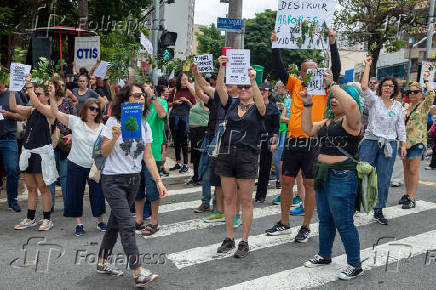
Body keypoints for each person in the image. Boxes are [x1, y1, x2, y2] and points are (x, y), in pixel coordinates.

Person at [265, 29, 341, 243]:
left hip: (314, 142)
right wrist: (276, 45)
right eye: (306, 70)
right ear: (300, 73)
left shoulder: (324, 88)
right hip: (293, 141)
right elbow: (279, 69)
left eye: (314, 70)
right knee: (287, 183)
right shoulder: (295, 85)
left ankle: (306, 226)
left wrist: (333, 43)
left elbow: (335, 68)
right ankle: (284, 222)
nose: (310, 72)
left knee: (309, 186)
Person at [96, 83, 167, 287]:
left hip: (133, 179)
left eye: (143, 95)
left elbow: (149, 157)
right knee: (127, 224)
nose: (142, 98)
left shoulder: (144, 124)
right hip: (113, 180)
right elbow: (104, 151)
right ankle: (138, 272)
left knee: (114, 224)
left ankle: (102, 262)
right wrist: (115, 136)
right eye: (137, 95)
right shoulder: (113, 121)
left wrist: (159, 181)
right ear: (126, 100)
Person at [301, 71, 364, 280]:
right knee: (325, 220)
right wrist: (307, 106)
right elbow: (308, 129)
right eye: (332, 98)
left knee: (344, 222)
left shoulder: (352, 121)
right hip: (323, 176)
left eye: (339, 97)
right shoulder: (328, 122)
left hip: (343, 177)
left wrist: (333, 85)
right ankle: (324, 254)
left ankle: (355, 264)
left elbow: (353, 106)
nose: (334, 99)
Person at [214, 55, 266, 258]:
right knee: (228, 198)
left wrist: (253, 80)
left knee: (246, 200)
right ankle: (229, 238)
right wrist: (221, 68)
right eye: (241, 86)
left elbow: (261, 107)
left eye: (247, 87)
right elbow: (220, 91)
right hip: (227, 155)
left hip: (247, 156)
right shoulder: (232, 104)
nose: (243, 89)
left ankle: (244, 241)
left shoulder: (259, 107)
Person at [50, 93, 107, 235]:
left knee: (98, 194)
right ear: (85, 108)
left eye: (97, 109)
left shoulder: (103, 127)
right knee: (75, 194)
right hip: (76, 164)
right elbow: (55, 112)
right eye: (91, 108)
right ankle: (79, 224)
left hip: (95, 166)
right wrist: (51, 96)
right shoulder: (75, 121)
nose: (94, 112)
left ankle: (100, 221)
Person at [360, 56, 406, 225]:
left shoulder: (398, 106)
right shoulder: (374, 101)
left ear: (395, 89)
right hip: (370, 142)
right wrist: (367, 66)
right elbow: (364, 87)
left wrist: (403, 145)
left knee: (384, 177)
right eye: (385, 85)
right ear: (380, 87)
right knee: (364, 173)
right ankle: (360, 202)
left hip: (389, 145)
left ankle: (378, 209)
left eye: (391, 86)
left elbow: (400, 127)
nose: (388, 88)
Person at [11, 75, 58, 231]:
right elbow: (14, 107)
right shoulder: (32, 110)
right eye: (35, 94)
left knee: (43, 187)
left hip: (41, 154)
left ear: (47, 96)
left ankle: (47, 219)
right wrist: (12, 89)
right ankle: (30, 218)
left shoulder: (50, 111)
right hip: (28, 152)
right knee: (31, 187)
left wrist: (30, 86)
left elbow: (38, 105)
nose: (35, 96)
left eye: (38, 94)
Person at [134, 85, 168, 236]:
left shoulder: (160, 102)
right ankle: (139, 220)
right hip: (135, 155)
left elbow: (162, 115)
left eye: (148, 87)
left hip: (152, 155)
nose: (144, 92)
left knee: (153, 190)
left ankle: (154, 222)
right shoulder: (137, 106)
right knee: (138, 190)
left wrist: (152, 96)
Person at [399, 77, 435, 209]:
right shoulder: (405, 106)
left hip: (417, 142)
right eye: (410, 92)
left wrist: (426, 80)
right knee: (406, 170)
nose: (412, 94)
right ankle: (408, 195)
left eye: (416, 92)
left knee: (413, 169)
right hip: (404, 143)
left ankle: (412, 198)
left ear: (421, 93)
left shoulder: (424, 106)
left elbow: (431, 94)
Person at [49, 79, 77, 208]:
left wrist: (71, 134)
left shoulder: (68, 102)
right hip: (50, 142)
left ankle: (68, 204)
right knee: (50, 175)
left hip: (65, 142)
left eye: (61, 85)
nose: (59, 87)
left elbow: (75, 121)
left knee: (65, 175)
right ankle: (50, 205)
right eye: (57, 85)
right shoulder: (46, 102)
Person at [0, 81, 25, 212]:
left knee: (12, 169)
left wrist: (9, 114)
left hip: (8, 139)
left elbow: (22, 116)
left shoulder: (12, 94)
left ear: (3, 82)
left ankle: (13, 201)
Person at [168, 73, 196, 173]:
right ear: (179, 80)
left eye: (186, 79)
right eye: (183, 79)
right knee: (176, 141)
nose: (184, 81)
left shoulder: (191, 91)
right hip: (174, 118)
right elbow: (168, 103)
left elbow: (194, 107)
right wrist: (174, 103)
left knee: (184, 141)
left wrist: (187, 101)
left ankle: (185, 164)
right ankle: (178, 162)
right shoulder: (174, 90)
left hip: (185, 118)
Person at [255, 83, 279, 203]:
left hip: (267, 138)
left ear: (269, 93)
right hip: (253, 138)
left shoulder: (273, 107)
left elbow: (276, 127)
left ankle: (261, 195)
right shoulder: (253, 105)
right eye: (260, 90)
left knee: (265, 168)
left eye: (264, 90)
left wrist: (274, 142)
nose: (262, 92)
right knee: (250, 166)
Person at [186, 86, 209, 186]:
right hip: (194, 131)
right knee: (195, 156)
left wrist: (193, 80)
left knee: (199, 156)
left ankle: (199, 177)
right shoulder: (199, 101)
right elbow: (194, 91)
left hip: (201, 131)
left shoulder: (205, 101)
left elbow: (194, 91)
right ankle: (196, 177)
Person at [157, 85, 170, 176]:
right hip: (161, 129)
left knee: (162, 148)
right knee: (162, 149)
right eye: (166, 91)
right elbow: (164, 116)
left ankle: (161, 167)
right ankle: (160, 168)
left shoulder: (158, 101)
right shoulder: (161, 101)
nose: (168, 93)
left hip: (162, 127)